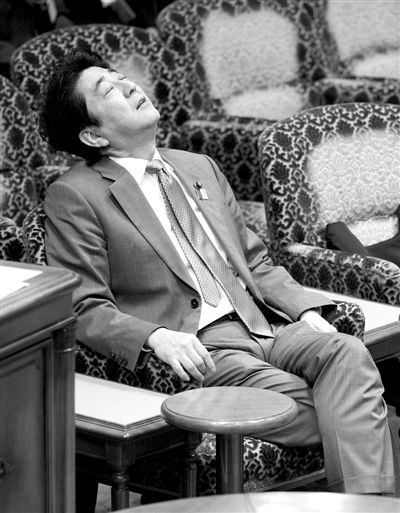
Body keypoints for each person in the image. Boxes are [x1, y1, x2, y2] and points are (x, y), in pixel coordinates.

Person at [40, 49, 396, 496]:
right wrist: (154, 337)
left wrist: (304, 310)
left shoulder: (198, 167)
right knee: (357, 405)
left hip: (264, 324)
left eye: (120, 77)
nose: (128, 85)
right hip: (204, 347)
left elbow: (255, 261)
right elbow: (83, 304)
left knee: (346, 351)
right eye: (107, 89)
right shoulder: (75, 194)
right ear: (92, 135)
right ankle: (370, 503)